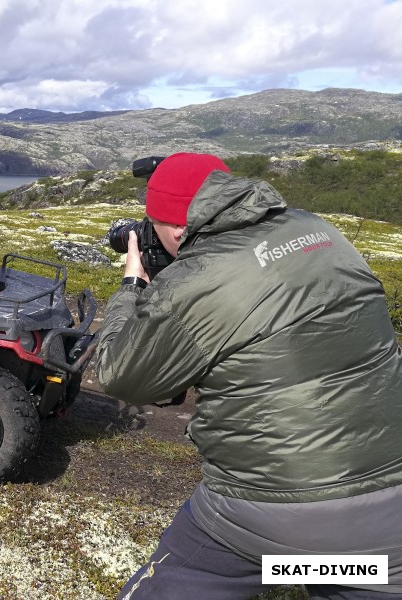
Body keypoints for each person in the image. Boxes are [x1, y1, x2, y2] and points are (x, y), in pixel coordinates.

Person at [95, 152, 402, 599]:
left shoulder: (196, 279)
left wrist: (134, 285)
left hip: (266, 518)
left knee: (181, 580)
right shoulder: (320, 230)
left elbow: (120, 375)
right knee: (338, 570)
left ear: (179, 230)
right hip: (390, 514)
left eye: (153, 225)